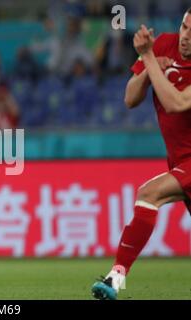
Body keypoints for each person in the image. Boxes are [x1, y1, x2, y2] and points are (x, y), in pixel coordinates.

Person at [92, 8, 191, 300]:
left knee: (149, 194)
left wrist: (147, 57)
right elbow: (130, 98)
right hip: (179, 160)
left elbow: (175, 103)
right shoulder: (163, 44)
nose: (186, 37)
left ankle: (115, 279)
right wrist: (149, 66)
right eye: (185, 28)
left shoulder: (153, 51)